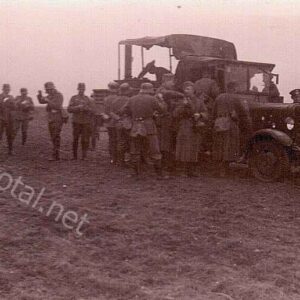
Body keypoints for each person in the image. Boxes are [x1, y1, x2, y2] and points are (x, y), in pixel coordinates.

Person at [124, 82, 165, 178]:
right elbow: (162, 110)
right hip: (149, 126)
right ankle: (159, 174)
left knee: (135, 150)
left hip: (135, 127)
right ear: (150, 90)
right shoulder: (152, 99)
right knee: (154, 150)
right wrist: (161, 100)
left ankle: (135, 173)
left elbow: (124, 110)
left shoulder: (132, 99)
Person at [212, 81, 251, 176]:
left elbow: (213, 112)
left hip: (218, 124)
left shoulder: (219, 97)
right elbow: (243, 113)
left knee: (219, 146)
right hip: (231, 124)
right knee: (229, 146)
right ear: (234, 88)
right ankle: (225, 170)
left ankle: (218, 170)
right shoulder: (236, 98)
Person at [174, 81, 208, 177]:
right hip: (184, 125)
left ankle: (191, 170)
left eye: (188, 89)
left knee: (194, 147)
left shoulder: (199, 101)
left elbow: (206, 113)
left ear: (193, 90)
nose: (186, 91)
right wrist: (183, 105)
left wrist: (200, 114)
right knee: (183, 148)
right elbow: (175, 114)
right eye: (185, 89)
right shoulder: (181, 101)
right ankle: (182, 170)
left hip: (195, 126)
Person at [155, 73, 184, 173]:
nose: (173, 83)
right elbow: (168, 94)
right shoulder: (161, 90)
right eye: (172, 81)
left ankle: (168, 164)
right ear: (165, 81)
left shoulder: (166, 90)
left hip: (168, 121)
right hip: (164, 121)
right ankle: (165, 165)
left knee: (168, 143)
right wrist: (182, 95)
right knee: (165, 143)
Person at [37, 82, 64, 161]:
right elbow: (42, 101)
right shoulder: (50, 95)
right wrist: (40, 95)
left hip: (58, 118)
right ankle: (56, 154)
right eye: (47, 90)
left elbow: (57, 106)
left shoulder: (59, 95)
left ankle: (55, 155)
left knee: (56, 136)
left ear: (53, 89)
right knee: (53, 136)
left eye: (49, 90)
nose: (48, 91)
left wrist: (48, 101)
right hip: (51, 118)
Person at [68, 83, 95, 160]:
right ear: (78, 89)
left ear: (84, 89)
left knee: (85, 139)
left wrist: (86, 109)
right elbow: (69, 109)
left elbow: (93, 110)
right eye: (80, 89)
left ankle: (84, 156)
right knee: (75, 139)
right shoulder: (73, 98)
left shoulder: (88, 99)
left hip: (85, 122)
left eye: (83, 89)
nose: (81, 90)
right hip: (76, 121)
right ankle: (74, 156)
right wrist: (77, 107)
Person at [115, 83, 132, 166]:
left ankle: (120, 161)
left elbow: (110, 112)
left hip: (118, 123)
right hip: (128, 122)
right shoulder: (130, 100)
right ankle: (128, 160)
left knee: (120, 142)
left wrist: (118, 118)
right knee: (129, 142)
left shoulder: (115, 100)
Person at [103, 81, 120, 164]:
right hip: (118, 121)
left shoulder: (106, 99)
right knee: (118, 140)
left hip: (109, 122)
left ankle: (112, 158)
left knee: (111, 140)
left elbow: (106, 111)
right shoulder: (118, 98)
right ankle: (118, 157)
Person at [0, 84, 15, 154]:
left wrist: (12, 103)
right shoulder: (0, 96)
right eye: (6, 89)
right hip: (1, 118)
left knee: (9, 134)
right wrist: (4, 101)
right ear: (3, 89)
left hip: (9, 118)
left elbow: (14, 107)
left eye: (8, 89)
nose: (7, 90)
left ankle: (10, 150)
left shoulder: (11, 97)